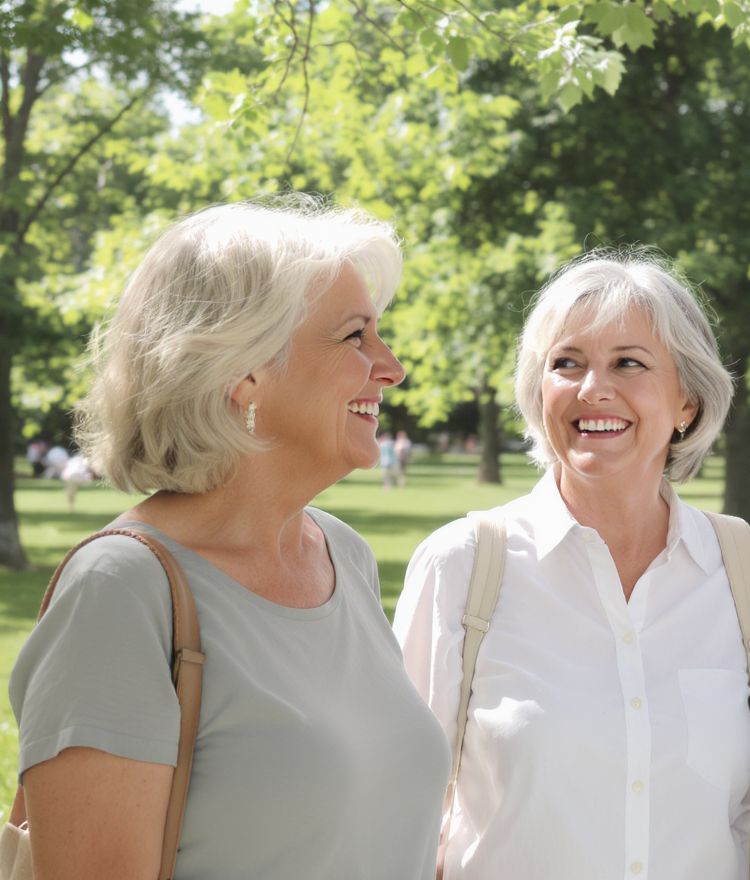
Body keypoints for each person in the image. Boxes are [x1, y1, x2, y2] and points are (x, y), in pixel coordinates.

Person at [8, 196, 450, 879]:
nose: (390, 366)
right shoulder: (119, 592)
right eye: (355, 336)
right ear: (244, 372)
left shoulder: (344, 555)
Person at [394, 253, 750, 879]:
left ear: (687, 399)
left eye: (628, 363)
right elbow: (400, 807)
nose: (592, 389)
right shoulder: (463, 566)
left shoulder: (742, 568)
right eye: (566, 364)